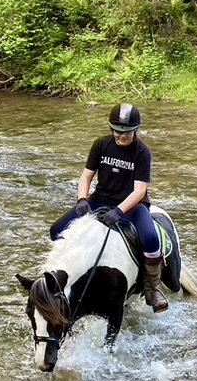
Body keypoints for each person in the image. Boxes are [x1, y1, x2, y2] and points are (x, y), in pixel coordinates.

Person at [49, 103, 168, 313]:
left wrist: (120, 211)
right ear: (111, 128)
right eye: (118, 131)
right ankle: (55, 281)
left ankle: (153, 288)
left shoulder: (142, 153)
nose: (122, 136)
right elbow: (87, 175)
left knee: (150, 240)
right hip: (99, 199)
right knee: (57, 229)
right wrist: (82, 199)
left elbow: (140, 190)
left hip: (133, 205)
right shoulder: (101, 145)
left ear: (135, 130)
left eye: (127, 132)